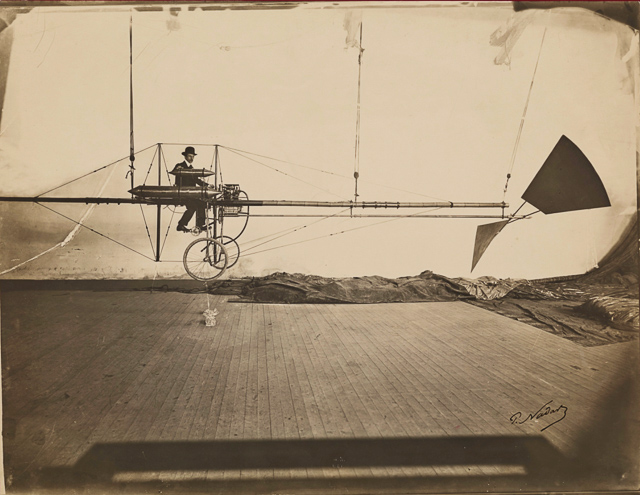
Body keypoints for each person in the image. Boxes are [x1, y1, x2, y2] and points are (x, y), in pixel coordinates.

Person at [172, 146, 208, 232]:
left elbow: (197, 180)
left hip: (191, 194)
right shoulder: (180, 165)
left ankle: (200, 225)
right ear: (185, 156)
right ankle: (181, 225)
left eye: (193, 156)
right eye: (189, 156)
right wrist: (178, 169)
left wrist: (207, 185)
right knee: (192, 207)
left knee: (202, 204)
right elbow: (174, 171)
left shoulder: (191, 169)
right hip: (183, 194)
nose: (191, 158)